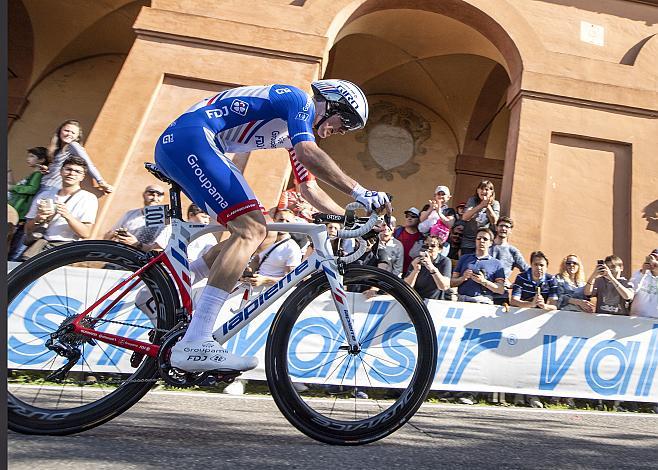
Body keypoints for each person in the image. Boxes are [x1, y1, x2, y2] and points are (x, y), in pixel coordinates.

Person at [154, 79, 390, 373]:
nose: (341, 131)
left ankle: (161, 288)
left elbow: (309, 190)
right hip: (194, 139)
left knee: (246, 232)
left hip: (188, 143)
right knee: (251, 230)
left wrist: (351, 219)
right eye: (345, 122)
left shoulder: (295, 133)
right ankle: (197, 341)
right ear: (330, 102)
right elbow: (308, 153)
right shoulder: (298, 101)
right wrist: (361, 192)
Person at [22, 156, 98, 258]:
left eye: (77, 172)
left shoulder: (88, 199)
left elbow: (85, 233)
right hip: (37, 246)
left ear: (82, 177)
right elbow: (27, 229)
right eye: (68, 169)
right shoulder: (44, 195)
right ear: (61, 171)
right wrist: (39, 218)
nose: (72, 173)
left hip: (63, 249)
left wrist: (67, 216)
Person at [39, 119, 113, 194]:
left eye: (73, 133)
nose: (69, 134)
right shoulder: (57, 148)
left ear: (77, 137)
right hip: (43, 185)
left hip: (53, 188)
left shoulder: (73, 145)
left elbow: (88, 163)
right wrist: (47, 169)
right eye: (66, 130)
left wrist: (101, 182)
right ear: (60, 131)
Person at [240, 208, 303, 288]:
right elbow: (256, 261)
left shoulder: (292, 248)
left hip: (271, 292)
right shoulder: (265, 240)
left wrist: (265, 280)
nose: (283, 223)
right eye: (280, 220)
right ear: (274, 221)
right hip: (252, 287)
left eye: (287, 221)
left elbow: (291, 279)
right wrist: (247, 275)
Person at [7, 147, 49, 259]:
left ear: (41, 160)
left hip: (21, 213)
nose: (28, 159)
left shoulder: (37, 175)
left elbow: (31, 189)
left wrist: (13, 187)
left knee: (13, 244)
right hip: (17, 210)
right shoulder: (33, 174)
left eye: (31, 156)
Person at [104, 184, 169, 252]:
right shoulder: (130, 213)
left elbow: (157, 250)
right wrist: (115, 236)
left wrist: (136, 244)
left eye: (159, 195)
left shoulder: (165, 219)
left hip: (141, 261)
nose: (155, 198)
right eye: (151, 194)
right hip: (120, 256)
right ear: (144, 195)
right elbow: (108, 236)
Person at [451, 228, 505, 304]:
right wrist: (463, 278)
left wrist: (483, 281)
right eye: (478, 238)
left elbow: (500, 289)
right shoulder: (464, 258)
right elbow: (452, 282)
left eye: (485, 239)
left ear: (491, 243)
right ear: (475, 241)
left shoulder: (496, 263)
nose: (481, 241)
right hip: (462, 300)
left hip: (483, 302)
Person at [490, 216, 528, 305]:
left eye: (507, 227)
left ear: (510, 230)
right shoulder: (486, 246)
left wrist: (514, 284)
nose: (503, 228)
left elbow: (528, 270)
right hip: (483, 293)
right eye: (501, 225)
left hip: (501, 295)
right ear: (496, 227)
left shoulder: (513, 251)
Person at [403, 235, 451, 300]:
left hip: (435, 301)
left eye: (433, 246)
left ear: (440, 249)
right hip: (417, 300)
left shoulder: (444, 261)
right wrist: (415, 270)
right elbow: (407, 286)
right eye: (426, 245)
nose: (429, 248)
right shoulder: (416, 260)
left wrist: (431, 267)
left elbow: (444, 286)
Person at [460, 180, 500, 255]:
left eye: (487, 189)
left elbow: (494, 221)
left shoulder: (495, 204)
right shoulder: (472, 200)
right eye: (481, 189)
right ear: (477, 190)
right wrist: (481, 205)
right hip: (468, 242)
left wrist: (487, 206)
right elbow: (465, 217)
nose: (483, 191)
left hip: (484, 242)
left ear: (491, 192)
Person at [629, 250, 658, 318]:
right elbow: (632, 290)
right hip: (637, 317)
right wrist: (643, 273)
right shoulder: (639, 273)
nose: (653, 262)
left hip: (655, 320)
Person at [394, 207, 423, 274]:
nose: (409, 218)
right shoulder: (397, 232)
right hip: (397, 270)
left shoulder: (421, 236)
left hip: (412, 271)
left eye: (413, 216)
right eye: (407, 216)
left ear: (419, 220)